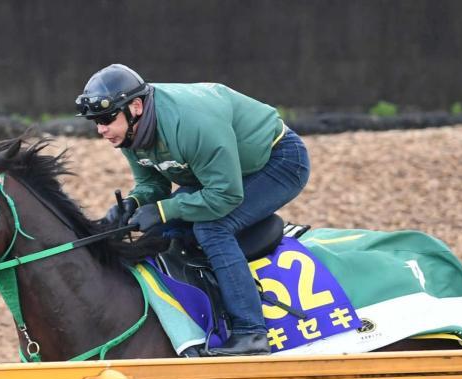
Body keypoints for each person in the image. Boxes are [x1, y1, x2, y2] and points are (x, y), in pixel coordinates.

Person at [75, 64, 310, 356]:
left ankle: (252, 333)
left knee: (212, 228)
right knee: (157, 230)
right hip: (218, 172)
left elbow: (225, 195)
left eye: (105, 119)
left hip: (277, 162)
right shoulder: (129, 130)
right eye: (94, 121)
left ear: (135, 106)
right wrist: (133, 204)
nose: (100, 129)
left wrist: (162, 210)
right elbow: (152, 184)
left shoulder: (192, 124)